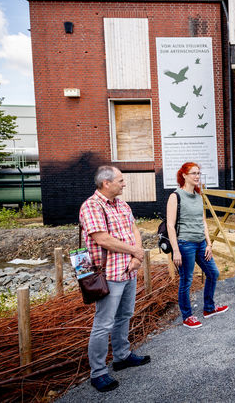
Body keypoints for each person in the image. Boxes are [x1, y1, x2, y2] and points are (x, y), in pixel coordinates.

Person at [79, 166, 150, 393]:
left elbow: (134, 229)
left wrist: (137, 256)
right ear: (106, 183)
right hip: (108, 273)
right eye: (120, 180)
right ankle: (98, 372)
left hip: (129, 270)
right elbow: (102, 239)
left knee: (125, 315)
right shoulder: (91, 206)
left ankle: (121, 356)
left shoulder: (122, 204)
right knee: (104, 323)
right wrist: (135, 251)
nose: (124, 184)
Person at [167, 162, 229, 329]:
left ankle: (209, 308)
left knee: (213, 273)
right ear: (184, 175)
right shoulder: (175, 196)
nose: (197, 176)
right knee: (186, 280)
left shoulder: (198, 196)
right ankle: (187, 316)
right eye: (193, 173)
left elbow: (203, 222)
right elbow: (170, 225)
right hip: (184, 244)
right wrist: (176, 250)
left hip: (201, 243)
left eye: (198, 173)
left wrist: (209, 244)